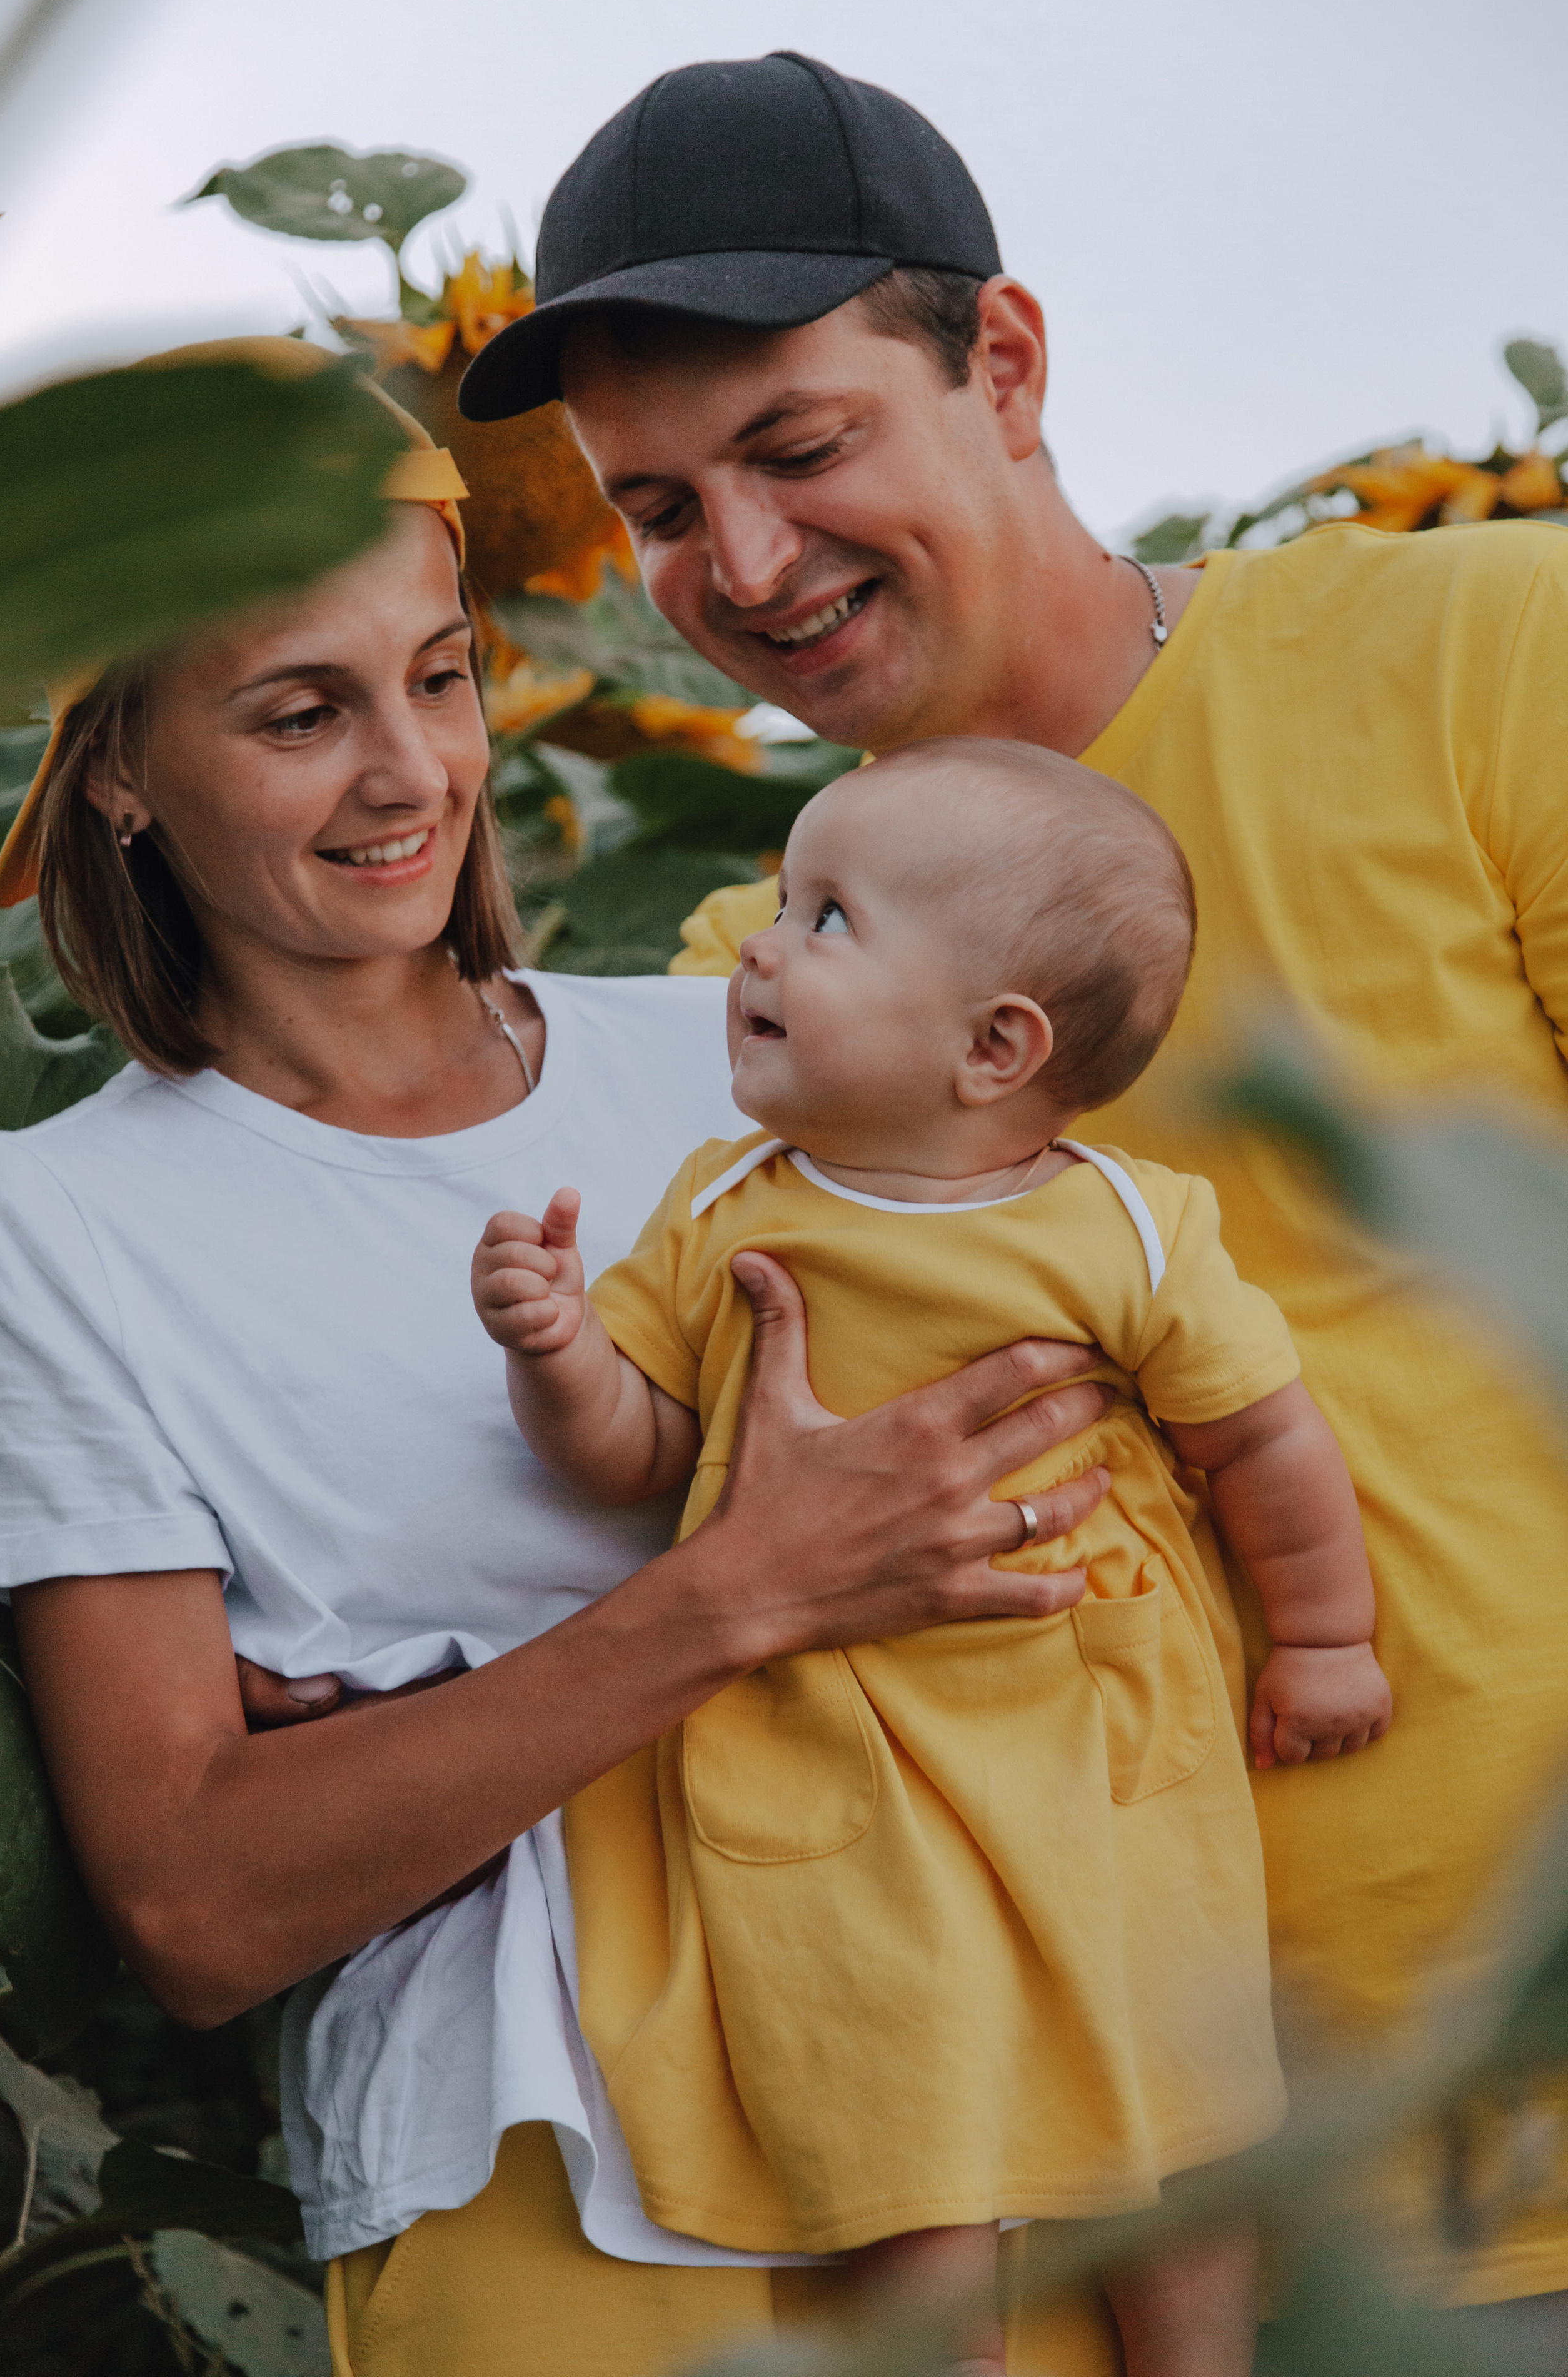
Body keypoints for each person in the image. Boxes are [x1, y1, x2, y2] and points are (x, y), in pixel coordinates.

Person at [457, 47, 1568, 2336]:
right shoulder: (738, 990)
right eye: (657, 506)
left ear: (1011, 365)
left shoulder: (1487, 658)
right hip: (1108, 2206)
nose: (738, 569)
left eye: (798, 447)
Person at [0, 336, 1121, 2377]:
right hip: (520, 2138)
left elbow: (1061, 1459)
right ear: (121, 768)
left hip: (963, 2093)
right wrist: (741, 1592)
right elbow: (202, 1906)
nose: (412, 772)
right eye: (302, 712)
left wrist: (451, 1727)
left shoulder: (746, 1059)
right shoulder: (52, 1230)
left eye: (438, 675)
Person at [476, 740, 1393, 2374]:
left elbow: (1261, 1436)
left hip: (1094, 1726)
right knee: (888, 2077)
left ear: (996, 1047)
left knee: (1173, 2079)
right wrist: (558, 1355)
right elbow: (643, 1449)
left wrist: (1325, 1635)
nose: (759, 945)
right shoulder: (726, 1208)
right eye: (781, 900)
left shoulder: (1125, 1224)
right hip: (831, 1741)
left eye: (826, 920)